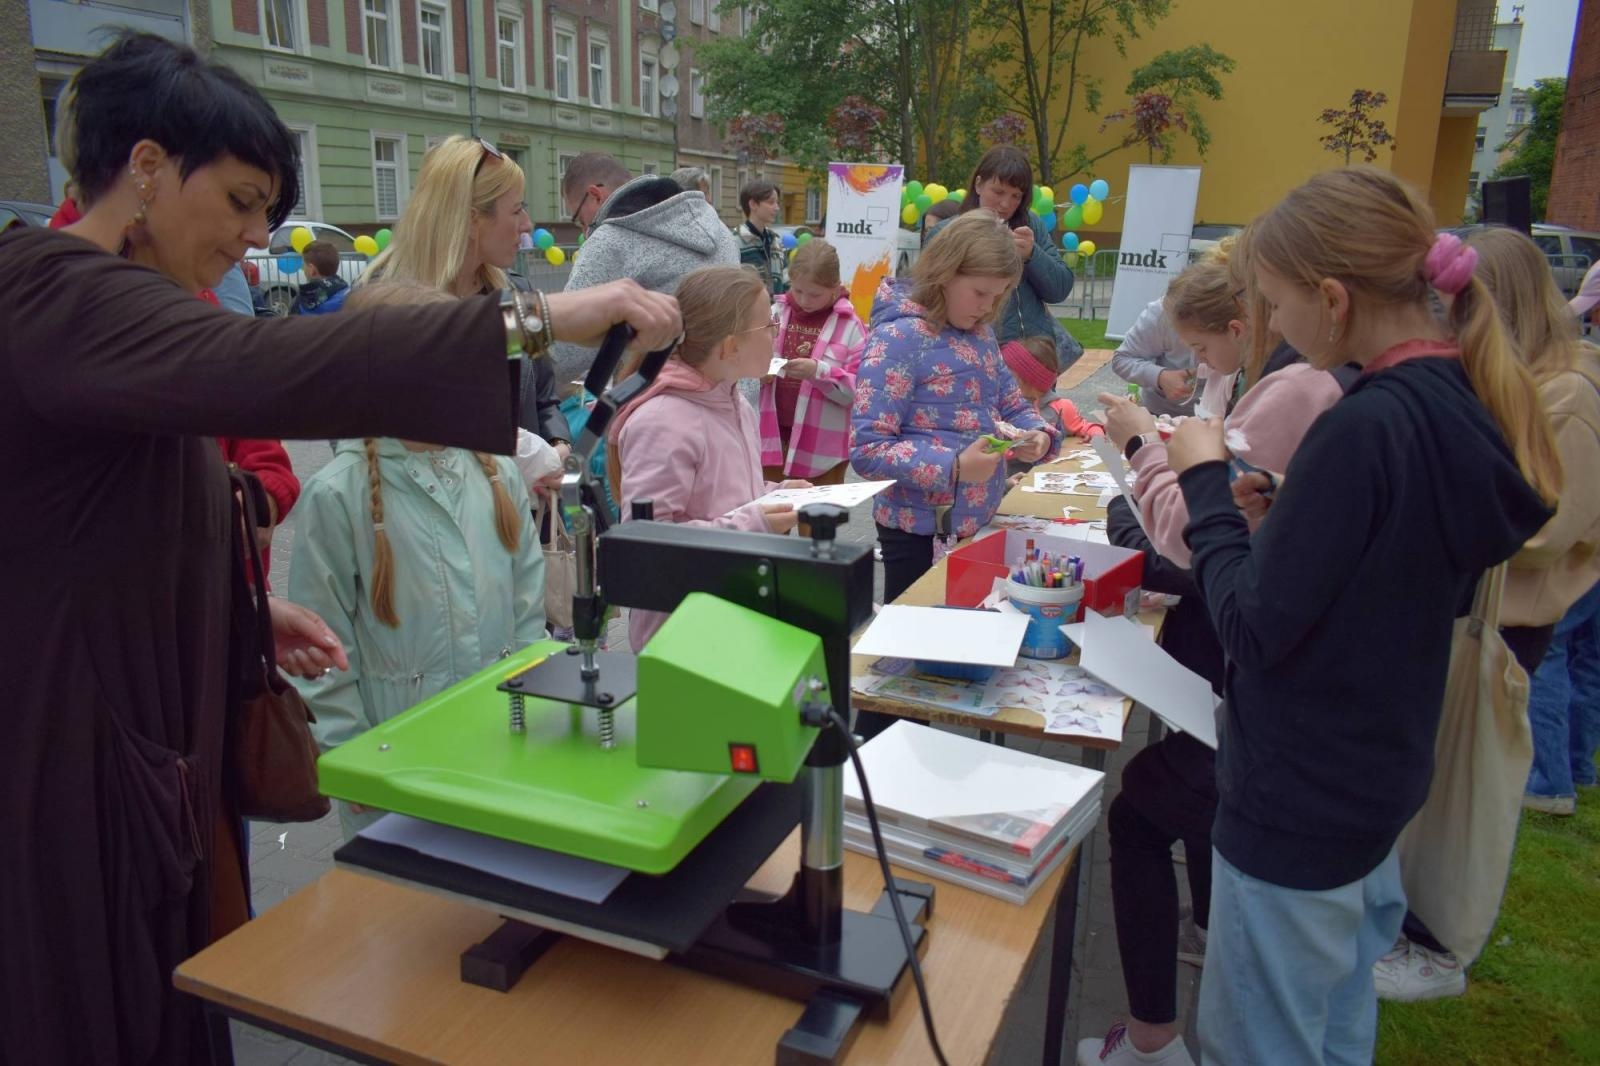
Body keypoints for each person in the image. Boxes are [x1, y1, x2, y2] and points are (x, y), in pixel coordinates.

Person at [0, 32, 679, 1066]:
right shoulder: (48, 290)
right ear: (145, 167)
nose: (252, 238)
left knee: (170, 985)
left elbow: (112, 514)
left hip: (147, 732)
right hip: (79, 757)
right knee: (105, 1002)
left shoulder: (115, 311)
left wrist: (235, 601)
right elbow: (266, 363)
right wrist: (531, 318)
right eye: (237, 200)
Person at [1159, 169, 1556, 1066]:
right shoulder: (1451, 403)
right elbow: (1396, 563)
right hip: (1373, 784)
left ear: (1332, 301)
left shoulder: (1364, 425)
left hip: (1297, 802)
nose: (1273, 327)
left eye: (1274, 303)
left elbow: (1252, 628)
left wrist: (1205, 484)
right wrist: (1296, 505)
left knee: (1261, 1041)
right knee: (1333, 1028)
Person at [1078, 252, 1340, 1066]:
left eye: (1204, 347)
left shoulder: (1295, 389)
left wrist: (1138, 454)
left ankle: (1153, 1042)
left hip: (1271, 697)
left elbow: (1196, 534)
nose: (1194, 366)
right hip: (1262, 678)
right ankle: (1202, 934)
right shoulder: (1279, 383)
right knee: (1181, 792)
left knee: (1143, 810)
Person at [290, 281, 546, 839]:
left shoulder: (495, 472)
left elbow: (528, 610)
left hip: (501, 743)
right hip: (394, 764)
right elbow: (321, 651)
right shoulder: (340, 494)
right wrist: (355, 764)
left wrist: (538, 715)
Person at [850, 210, 1052, 605]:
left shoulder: (980, 335)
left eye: (998, 297)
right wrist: (954, 467)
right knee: (914, 633)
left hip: (974, 517)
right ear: (944, 272)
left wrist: (1037, 434)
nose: (987, 307)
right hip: (916, 529)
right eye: (980, 293)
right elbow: (868, 449)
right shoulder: (896, 340)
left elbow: (1011, 402)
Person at [1099, 252, 1344, 568]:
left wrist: (1141, 443)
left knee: (1125, 521)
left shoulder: (1297, 386)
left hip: (1238, 571)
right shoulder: (1272, 376)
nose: (1271, 323)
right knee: (1125, 513)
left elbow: (1186, 531)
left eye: (1276, 304)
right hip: (1249, 566)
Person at [608, 265, 806, 651]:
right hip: (683, 639)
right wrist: (756, 521)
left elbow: (721, 494)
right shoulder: (664, 421)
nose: (777, 334)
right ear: (730, 346)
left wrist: (777, 493)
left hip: (732, 616)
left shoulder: (733, 403)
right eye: (769, 325)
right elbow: (648, 550)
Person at [362, 135, 571, 482]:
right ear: (472, 220)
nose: (527, 226)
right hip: (428, 520)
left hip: (518, 518)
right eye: (517, 209)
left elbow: (546, 397)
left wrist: (558, 444)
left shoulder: (515, 294)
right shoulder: (382, 304)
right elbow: (360, 439)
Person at [554, 152, 740, 384]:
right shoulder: (719, 228)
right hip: (735, 398)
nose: (584, 231)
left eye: (580, 219)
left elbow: (564, 355)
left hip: (661, 408)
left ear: (594, 196)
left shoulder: (610, 239)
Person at [930, 146, 1076, 354]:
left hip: (1031, 354)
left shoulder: (1030, 225)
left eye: (1016, 196)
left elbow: (1060, 289)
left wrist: (1032, 255)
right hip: (969, 350)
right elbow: (930, 296)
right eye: (998, 192)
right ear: (978, 184)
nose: (1006, 203)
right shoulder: (946, 232)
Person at [759, 238, 866, 485]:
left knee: (817, 521)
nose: (805, 300)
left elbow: (860, 389)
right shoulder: (775, 313)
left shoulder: (851, 327)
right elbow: (744, 364)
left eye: (815, 294)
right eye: (797, 291)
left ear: (836, 289)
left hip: (822, 451)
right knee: (771, 517)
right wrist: (759, 373)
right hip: (773, 441)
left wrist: (819, 372)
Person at [999, 336, 1100, 480]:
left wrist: (1095, 433)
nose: (997, 377)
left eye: (1005, 373)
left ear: (1025, 379)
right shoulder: (998, 406)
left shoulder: (1060, 407)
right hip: (1006, 482)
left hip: (1046, 480)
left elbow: (1084, 427)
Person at [1112, 298, 1198, 418]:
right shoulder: (1162, 311)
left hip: (1224, 419)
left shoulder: (1230, 309)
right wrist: (1160, 376)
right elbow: (1122, 358)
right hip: (1162, 414)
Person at [737, 179, 788, 295]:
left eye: (777, 203)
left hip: (777, 311)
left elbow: (786, 279)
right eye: (771, 202)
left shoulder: (774, 241)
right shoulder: (735, 241)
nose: (777, 208)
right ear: (753, 204)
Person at [290, 239, 350, 315]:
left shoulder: (300, 303)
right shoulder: (351, 297)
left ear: (311, 269)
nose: (303, 268)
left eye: (304, 265)